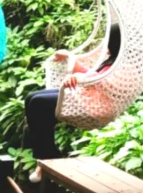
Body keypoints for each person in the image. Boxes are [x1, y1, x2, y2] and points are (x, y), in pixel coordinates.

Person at [25, 25, 122, 182]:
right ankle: (46, 156)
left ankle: (46, 158)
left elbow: (104, 83)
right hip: (84, 96)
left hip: (94, 106)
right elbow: (92, 76)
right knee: (31, 97)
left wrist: (79, 77)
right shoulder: (111, 61)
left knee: (38, 104)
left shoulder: (123, 66)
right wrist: (69, 57)